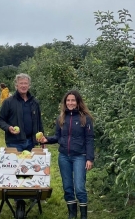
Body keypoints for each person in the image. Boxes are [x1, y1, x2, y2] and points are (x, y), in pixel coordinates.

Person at [39, 90, 94, 219]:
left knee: (79, 187)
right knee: (68, 187)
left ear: (78, 102)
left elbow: (89, 139)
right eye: (68, 100)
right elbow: (58, 137)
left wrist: (89, 158)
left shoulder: (85, 118)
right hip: (64, 156)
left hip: (80, 156)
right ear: (65, 102)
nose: (70, 103)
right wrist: (47, 139)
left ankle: (84, 216)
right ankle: (72, 214)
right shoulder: (61, 118)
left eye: (73, 100)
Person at [0, 73, 44, 152]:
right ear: (16, 86)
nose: (23, 85)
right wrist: (8, 128)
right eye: (21, 83)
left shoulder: (34, 102)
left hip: (31, 142)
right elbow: (0, 120)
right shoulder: (8, 102)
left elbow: (39, 122)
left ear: (29, 86)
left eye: (26, 83)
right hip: (14, 142)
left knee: (30, 164)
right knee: (17, 164)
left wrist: (42, 137)